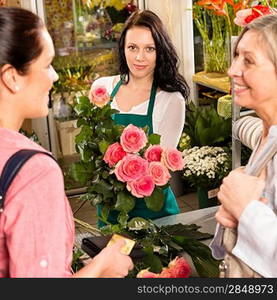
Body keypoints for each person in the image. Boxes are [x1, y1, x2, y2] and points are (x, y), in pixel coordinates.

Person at [0, 7, 133, 278]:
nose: (55, 77)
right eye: (47, 64)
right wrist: (102, 267)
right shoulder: (32, 170)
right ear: (12, 77)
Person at [89, 9, 190, 226]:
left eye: (149, 49)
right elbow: (94, 149)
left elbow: (162, 169)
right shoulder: (103, 88)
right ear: (123, 48)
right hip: (110, 209)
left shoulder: (170, 100)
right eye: (132, 47)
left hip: (154, 212)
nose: (139, 57)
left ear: (160, 52)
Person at [210, 14, 277, 277]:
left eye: (248, 61)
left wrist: (245, 210)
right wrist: (234, 212)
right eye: (236, 56)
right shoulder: (267, 135)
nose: (232, 70)